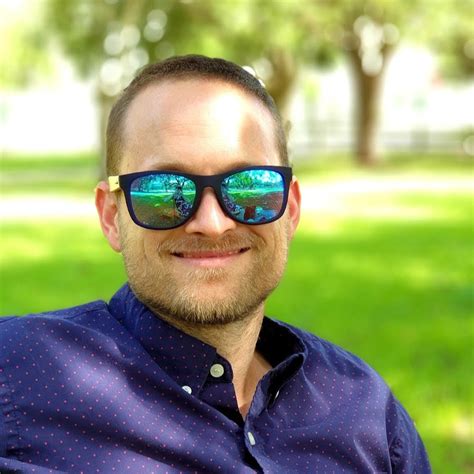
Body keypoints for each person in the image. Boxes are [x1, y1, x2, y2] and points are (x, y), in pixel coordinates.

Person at [0, 55, 431, 473]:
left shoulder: (367, 411)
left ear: (291, 209)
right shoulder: (19, 375)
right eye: (163, 190)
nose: (211, 223)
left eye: (249, 187)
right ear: (112, 216)